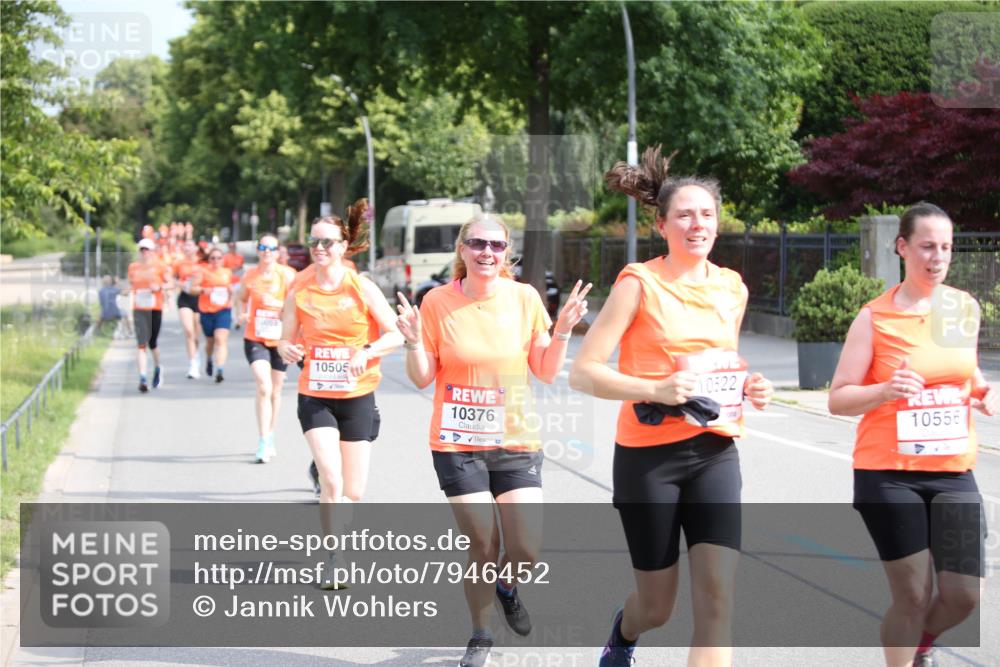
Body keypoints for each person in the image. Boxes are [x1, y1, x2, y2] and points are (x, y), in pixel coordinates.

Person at [569, 146, 774, 667]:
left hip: (715, 452)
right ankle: (625, 631)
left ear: (717, 224)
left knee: (717, 603)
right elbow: (584, 371)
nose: (696, 224)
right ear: (661, 224)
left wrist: (749, 385)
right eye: (683, 214)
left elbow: (719, 363)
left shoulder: (732, 287)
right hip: (648, 459)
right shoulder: (639, 282)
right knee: (657, 606)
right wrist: (656, 389)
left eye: (706, 214)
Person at [395, 213, 590, 667]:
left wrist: (562, 330)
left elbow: (543, 370)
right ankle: (480, 634)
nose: (487, 252)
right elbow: (423, 377)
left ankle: (507, 586)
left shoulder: (524, 298)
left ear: (507, 254)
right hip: (457, 442)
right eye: (478, 243)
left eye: (497, 246)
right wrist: (410, 342)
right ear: (462, 250)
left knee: (525, 548)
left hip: (515, 440)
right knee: (482, 542)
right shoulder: (436, 302)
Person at [828, 202, 998, 667]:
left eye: (946, 247)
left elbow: (965, 370)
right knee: (913, 594)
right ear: (902, 247)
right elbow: (838, 397)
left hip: (951, 471)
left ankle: (920, 644)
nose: (938, 256)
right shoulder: (875, 318)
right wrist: (885, 389)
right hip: (889, 473)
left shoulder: (963, 307)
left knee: (964, 595)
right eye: (927, 246)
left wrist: (983, 391)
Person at [276, 199, 403, 583]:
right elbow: (283, 340)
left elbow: (395, 332)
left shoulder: (360, 286)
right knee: (332, 481)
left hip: (358, 394)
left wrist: (367, 351)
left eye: (327, 243)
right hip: (315, 393)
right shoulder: (298, 287)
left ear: (343, 247)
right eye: (314, 242)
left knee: (354, 489)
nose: (319, 249)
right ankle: (334, 559)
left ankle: (334, 517)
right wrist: (288, 348)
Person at [236, 234, 297, 463]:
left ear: (277, 251)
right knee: (264, 386)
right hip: (256, 337)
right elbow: (240, 299)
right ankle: (263, 440)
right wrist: (240, 313)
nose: (267, 251)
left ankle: (270, 434)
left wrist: (282, 308)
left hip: (281, 339)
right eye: (263, 247)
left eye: (271, 248)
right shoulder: (250, 275)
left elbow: (297, 303)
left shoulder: (288, 275)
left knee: (276, 390)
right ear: (258, 250)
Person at [128, 238, 174, 392]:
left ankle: (157, 367)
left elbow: (171, 284)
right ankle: (142, 378)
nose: (144, 252)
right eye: (142, 249)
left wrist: (159, 286)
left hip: (155, 307)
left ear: (152, 251)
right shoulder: (133, 267)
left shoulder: (160, 266)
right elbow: (131, 286)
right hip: (139, 308)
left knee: (152, 342)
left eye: (147, 249)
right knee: (141, 344)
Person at [191, 247, 237, 382]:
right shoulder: (203, 272)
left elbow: (235, 290)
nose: (216, 260)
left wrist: (231, 291)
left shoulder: (227, 273)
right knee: (210, 341)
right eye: (213, 258)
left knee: (220, 339)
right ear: (209, 260)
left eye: (219, 258)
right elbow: (192, 288)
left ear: (223, 260)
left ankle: (220, 369)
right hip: (207, 311)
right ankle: (209, 358)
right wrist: (202, 290)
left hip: (223, 310)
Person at [174, 239, 204, 379]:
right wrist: (181, 284)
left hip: (199, 299)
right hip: (185, 298)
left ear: (196, 248)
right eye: (185, 245)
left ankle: (196, 356)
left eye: (190, 245)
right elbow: (172, 279)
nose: (187, 248)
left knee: (196, 334)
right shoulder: (179, 264)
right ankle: (192, 364)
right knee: (188, 331)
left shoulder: (202, 263)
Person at [223, 241, 246, 328]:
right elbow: (224, 269)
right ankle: (233, 318)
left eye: (234, 247)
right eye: (231, 247)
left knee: (238, 301)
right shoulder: (225, 257)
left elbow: (241, 267)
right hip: (229, 281)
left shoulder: (240, 257)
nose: (232, 248)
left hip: (238, 281)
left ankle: (237, 319)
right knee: (231, 301)